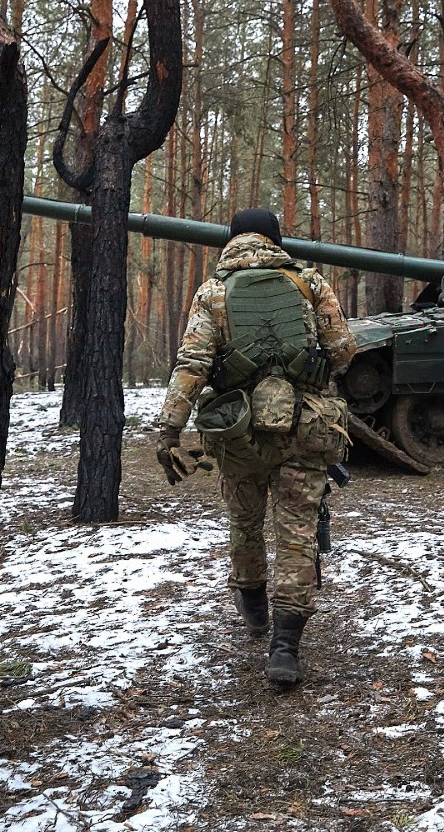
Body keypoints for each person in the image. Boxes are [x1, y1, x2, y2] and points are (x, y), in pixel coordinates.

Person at [153, 208, 357, 686]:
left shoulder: (214, 292)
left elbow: (192, 365)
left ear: (230, 242)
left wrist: (169, 429)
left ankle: (255, 616)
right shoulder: (310, 283)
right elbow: (344, 350)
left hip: (237, 432)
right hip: (303, 429)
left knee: (244, 524)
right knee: (296, 535)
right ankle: (284, 648)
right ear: (275, 239)